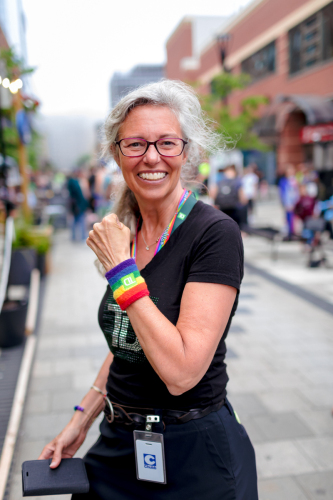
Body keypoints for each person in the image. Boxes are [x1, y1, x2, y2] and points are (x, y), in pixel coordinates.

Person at [39, 80, 258, 500]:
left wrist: (122, 272)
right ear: (116, 154)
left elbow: (181, 372)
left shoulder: (213, 233)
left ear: (187, 152)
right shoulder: (129, 228)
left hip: (193, 453)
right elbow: (128, 339)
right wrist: (81, 420)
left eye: (167, 143)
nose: (151, 157)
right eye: (135, 144)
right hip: (119, 444)